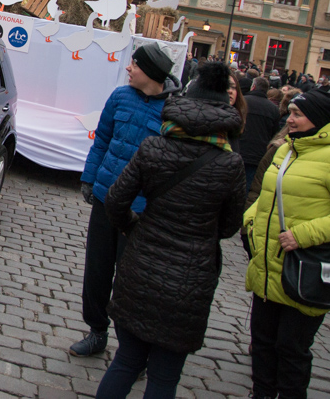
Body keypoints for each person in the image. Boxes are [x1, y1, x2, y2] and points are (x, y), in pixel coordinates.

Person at [96, 61, 245, 399]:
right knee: (164, 378)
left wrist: (135, 227)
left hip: (141, 267)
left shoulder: (154, 147)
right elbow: (229, 226)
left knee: (126, 360)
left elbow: (116, 201)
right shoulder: (230, 163)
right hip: (190, 282)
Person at [243, 90, 330, 399]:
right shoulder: (285, 150)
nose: (290, 119)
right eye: (291, 113)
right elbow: (265, 195)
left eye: (298, 114)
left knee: (291, 349)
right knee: (262, 342)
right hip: (267, 265)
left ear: (319, 119)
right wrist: (250, 223)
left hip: (305, 268)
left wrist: (304, 235)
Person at [71, 43, 180, 357]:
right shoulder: (120, 97)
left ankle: (134, 347)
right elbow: (102, 139)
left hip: (143, 211)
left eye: (134, 65)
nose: (129, 69)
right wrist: (90, 178)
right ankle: (97, 330)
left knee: (134, 280)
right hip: (107, 200)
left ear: (151, 73)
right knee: (97, 271)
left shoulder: (173, 110)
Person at [239, 77, 280, 191]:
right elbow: (275, 133)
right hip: (258, 154)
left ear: (253, 87)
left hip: (239, 148)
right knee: (247, 186)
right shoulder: (273, 109)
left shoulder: (243, 101)